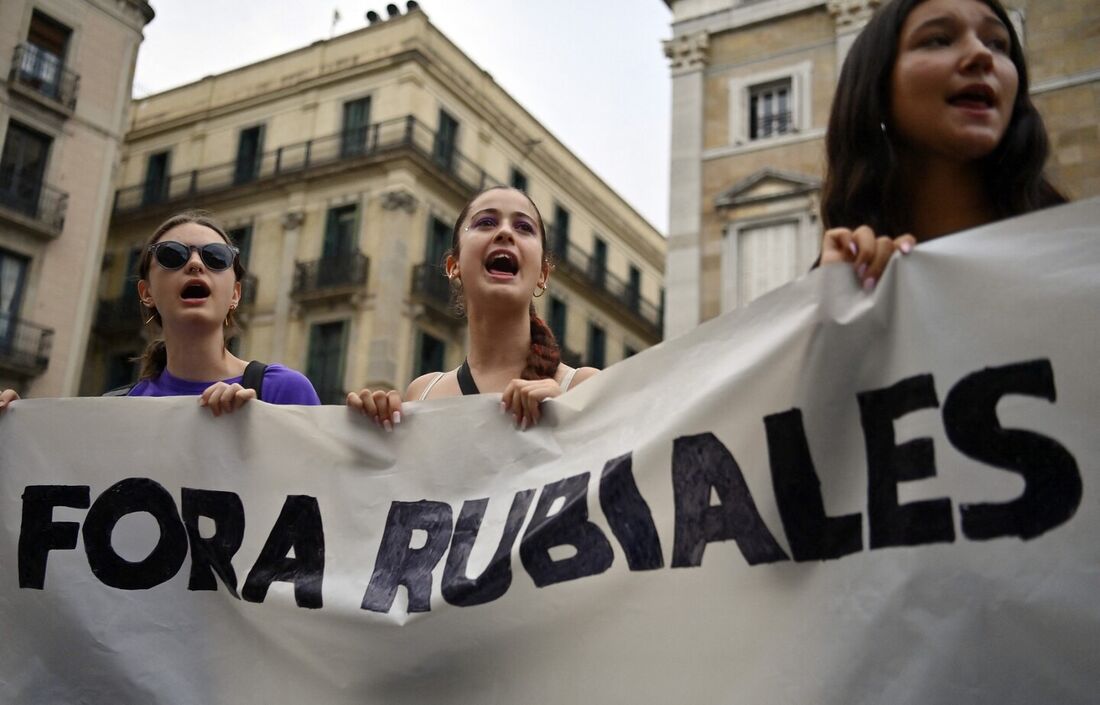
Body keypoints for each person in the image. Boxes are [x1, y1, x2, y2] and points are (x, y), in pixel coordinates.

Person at [817, 0, 1066, 286]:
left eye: (997, 44)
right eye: (938, 40)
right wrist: (833, 304)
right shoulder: (845, 276)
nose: (981, 54)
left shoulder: (1080, 253)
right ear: (877, 89)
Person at [2, 212, 320, 415]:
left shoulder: (284, 391)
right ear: (147, 293)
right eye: (172, 255)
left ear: (235, 294)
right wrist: (20, 430)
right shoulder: (117, 412)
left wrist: (369, 423)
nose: (195, 263)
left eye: (216, 257)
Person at [348, 186, 598, 429]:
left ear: (543, 275)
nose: (505, 233)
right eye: (486, 223)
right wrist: (374, 432)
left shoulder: (584, 388)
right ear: (453, 266)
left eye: (524, 227)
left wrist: (569, 421)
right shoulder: (423, 392)